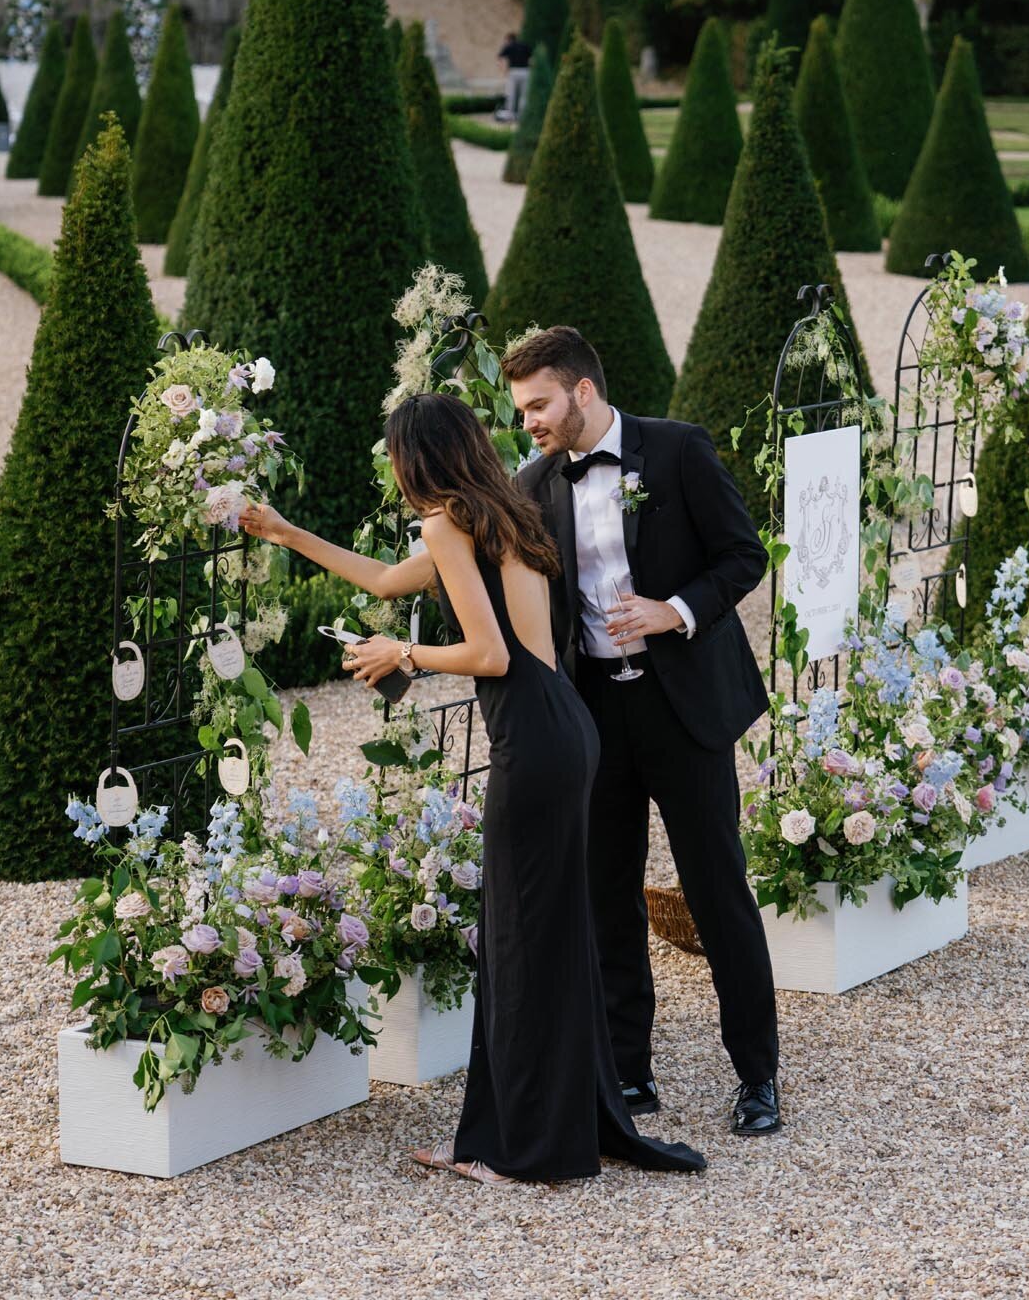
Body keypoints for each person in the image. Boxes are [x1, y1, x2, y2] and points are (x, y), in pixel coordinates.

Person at [242, 392, 705, 1186]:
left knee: (518, 944)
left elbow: (490, 656)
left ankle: (514, 1149)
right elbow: (389, 581)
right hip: (568, 729)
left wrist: (405, 656)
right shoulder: (501, 511)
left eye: (394, 453)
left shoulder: (447, 521)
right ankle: (558, 1126)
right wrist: (285, 532)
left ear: (414, 456)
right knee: (548, 939)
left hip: (532, 736)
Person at [501, 325, 782, 1137]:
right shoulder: (531, 483)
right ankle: (628, 1074)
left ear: (582, 391)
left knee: (714, 887)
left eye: (539, 405)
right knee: (605, 895)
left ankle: (757, 1075)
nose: (530, 423)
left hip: (683, 706)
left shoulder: (679, 451)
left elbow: (743, 555)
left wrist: (675, 611)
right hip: (595, 716)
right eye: (522, 411)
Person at [497, 31, 531, 121]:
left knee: (511, 94)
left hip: (514, 72)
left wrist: (503, 70)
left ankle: (510, 115)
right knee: (524, 94)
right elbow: (531, 58)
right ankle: (522, 115)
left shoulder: (509, 46)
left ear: (509, 39)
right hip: (525, 71)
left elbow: (500, 57)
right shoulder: (525, 45)